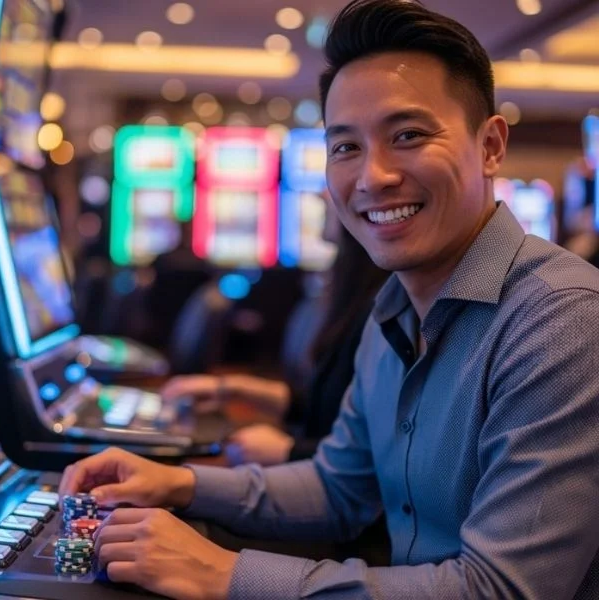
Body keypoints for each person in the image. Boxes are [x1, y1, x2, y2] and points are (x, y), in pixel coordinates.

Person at [59, 1, 599, 598]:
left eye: (409, 135)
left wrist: (219, 571)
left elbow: (500, 590)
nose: (373, 177)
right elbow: (338, 486)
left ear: (491, 145)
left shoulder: (563, 320)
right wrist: (179, 483)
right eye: (345, 147)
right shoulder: (394, 306)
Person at [160, 221, 389, 466]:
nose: (322, 193)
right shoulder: (352, 285)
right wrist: (232, 388)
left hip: (326, 478)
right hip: (316, 463)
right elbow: (327, 406)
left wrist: (289, 451)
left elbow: (378, 455)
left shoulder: (383, 303)